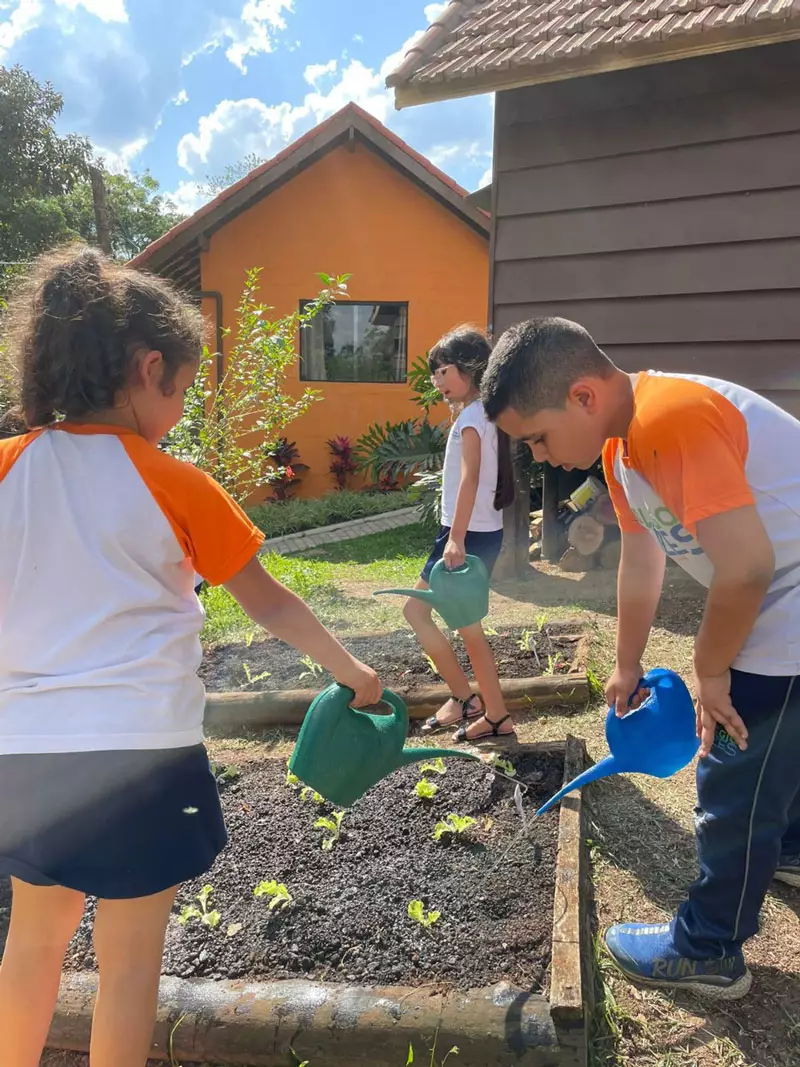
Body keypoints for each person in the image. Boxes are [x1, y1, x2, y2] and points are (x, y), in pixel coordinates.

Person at [0, 245, 382, 1067]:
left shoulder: (6, 469)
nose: (177, 409)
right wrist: (353, 672)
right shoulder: (174, 481)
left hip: (26, 752)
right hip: (140, 750)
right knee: (128, 961)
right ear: (148, 369)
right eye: (179, 389)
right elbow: (269, 599)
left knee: (31, 945)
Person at [480, 316, 800, 1001]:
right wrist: (626, 662)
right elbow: (641, 560)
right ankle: (791, 849)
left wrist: (711, 671)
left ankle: (709, 949)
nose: (537, 456)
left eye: (536, 436)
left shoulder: (669, 419)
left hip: (787, 609)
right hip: (781, 602)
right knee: (779, 756)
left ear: (584, 396)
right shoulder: (625, 448)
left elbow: (745, 569)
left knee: (733, 777)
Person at [404, 326, 515, 742]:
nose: (437, 381)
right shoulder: (484, 414)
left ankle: (495, 714)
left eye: (443, 371)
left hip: (466, 537)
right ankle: (465, 698)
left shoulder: (472, 418)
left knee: (463, 629)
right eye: (435, 373)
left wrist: (456, 539)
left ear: (471, 369)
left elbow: (469, 481)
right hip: (471, 533)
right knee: (418, 612)